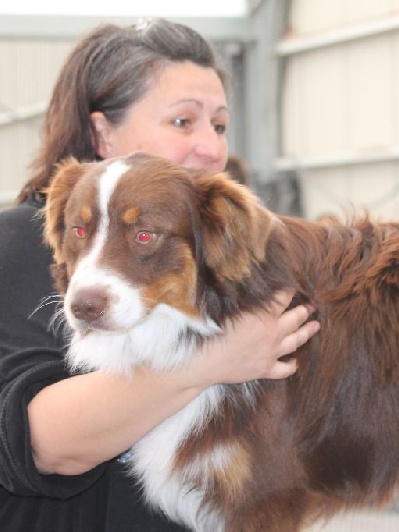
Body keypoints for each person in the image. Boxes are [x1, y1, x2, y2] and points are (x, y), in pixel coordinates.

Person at [0, 19, 319, 531]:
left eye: (218, 124)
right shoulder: (19, 244)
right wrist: (213, 361)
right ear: (103, 133)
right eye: (182, 122)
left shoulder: (211, 255)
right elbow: (45, 443)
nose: (211, 148)